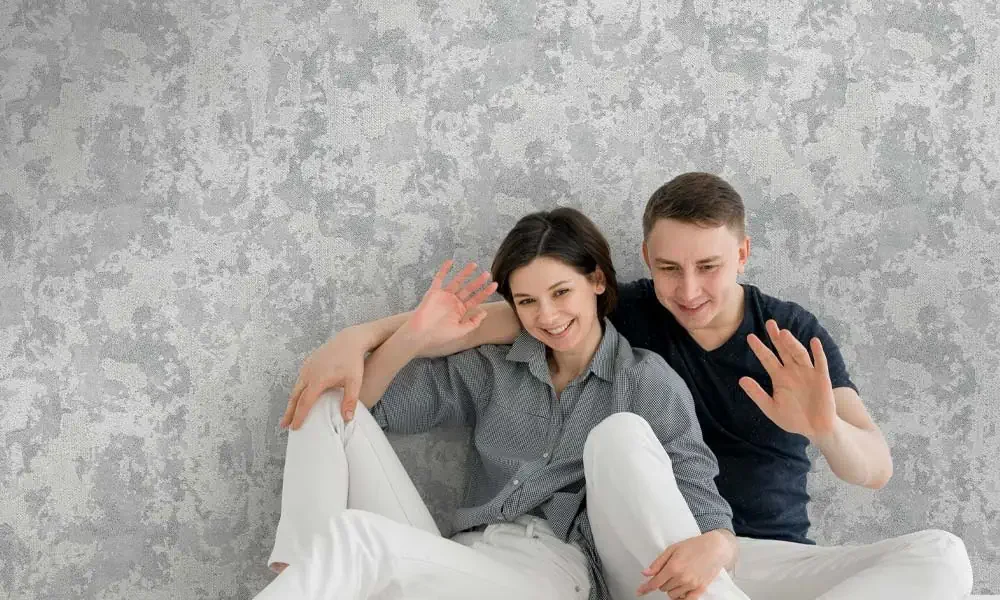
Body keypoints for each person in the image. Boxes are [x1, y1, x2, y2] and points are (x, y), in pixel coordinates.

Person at [284, 173, 975, 600]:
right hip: (636, 554)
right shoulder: (621, 311)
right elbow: (488, 320)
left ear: (742, 253)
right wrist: (363, 337)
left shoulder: (784, 334)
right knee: (327, 408)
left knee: (943, 558)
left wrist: (822, 427)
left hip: (742, 556)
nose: (689, 290)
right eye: (670, 269)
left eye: (709, 266)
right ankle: (299, 566)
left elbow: (874, 468)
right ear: (642, 262)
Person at [261, 208, 752, 600]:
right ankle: (303, 566)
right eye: (528, 302)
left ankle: (308, 575)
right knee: (327, 399)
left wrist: (719, 543)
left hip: (551, 573)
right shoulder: (496, 367)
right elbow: (362, 409)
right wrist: (413, 336)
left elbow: (700, 498)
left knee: (357, 538)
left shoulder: (645, 382)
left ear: (598, 281)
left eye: (561, 292)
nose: (548, 316)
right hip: (462, 556)